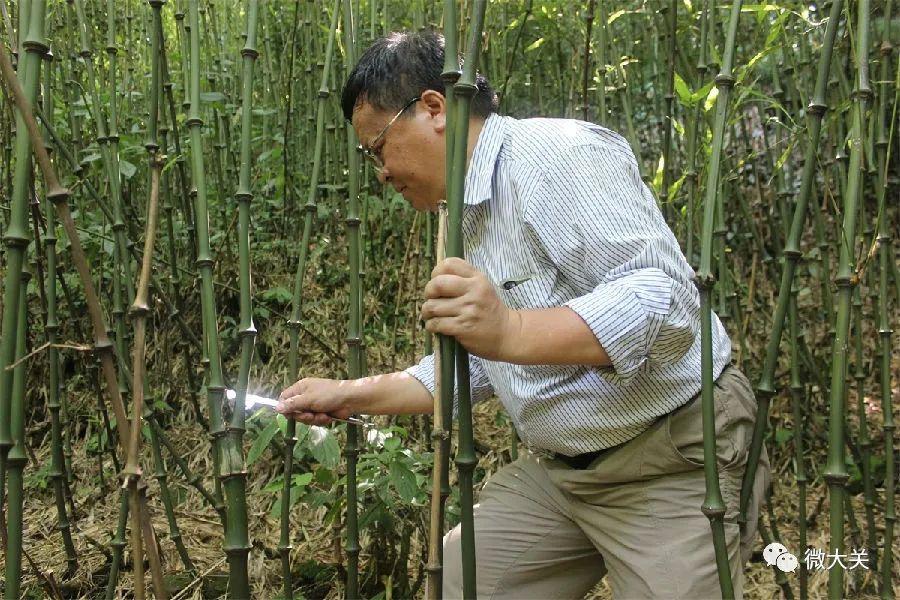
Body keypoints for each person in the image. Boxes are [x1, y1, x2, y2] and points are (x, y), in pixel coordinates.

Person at [277, 30, 770, 599]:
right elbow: (485, 364)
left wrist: (509, 329)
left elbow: (667, 305)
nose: (380, 173)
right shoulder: (462, 214)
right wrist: (352, 395)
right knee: (461, 580)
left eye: (377, 147)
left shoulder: (559, 156)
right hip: (564, 471)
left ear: (434, 109)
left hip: (668, 459)